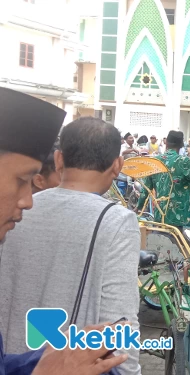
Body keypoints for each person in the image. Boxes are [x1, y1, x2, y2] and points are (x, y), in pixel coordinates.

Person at [0, 87, 127, 375]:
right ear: (117, 165)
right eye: (22, 180)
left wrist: (45, 363)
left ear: (58, 160)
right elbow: (121, 322)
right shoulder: (117, 221)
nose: (28, 200)